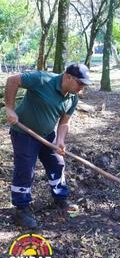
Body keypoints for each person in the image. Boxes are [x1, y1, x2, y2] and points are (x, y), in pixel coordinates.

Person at [5, 64, 92, 228]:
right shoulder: (42, 79)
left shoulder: (72, 98)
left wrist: (60, 140)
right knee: (25, 169)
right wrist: (10, 109)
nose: (82, 89)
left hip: (46, 135)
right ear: (68, 77)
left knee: (57, 163)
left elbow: (64, 122)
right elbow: (12, 80)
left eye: (84, 85)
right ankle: (21, 209)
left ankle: (60, 199)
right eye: (80, 84)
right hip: (24, 133)